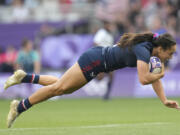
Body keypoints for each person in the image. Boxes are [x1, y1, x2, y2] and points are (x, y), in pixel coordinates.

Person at [4, 32, 179, 128]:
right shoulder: (144, 50)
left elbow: (153, 79)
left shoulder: (153, 55)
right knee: (59, 89)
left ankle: (24, 76)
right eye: (169, 53)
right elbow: (144, 79)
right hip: (95, 61)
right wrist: (161, 74)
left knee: (63, 86)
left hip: (97, 59)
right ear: (160, 48)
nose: (170, 57)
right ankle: (19, 107)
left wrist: (164, 100)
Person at [93, 20, 115, 99]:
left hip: (109, 57)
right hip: (102, 56)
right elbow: (95, 42)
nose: (111, 27)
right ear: (105, 25)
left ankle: (107, 95)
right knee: (100, 77)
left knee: (112, 75)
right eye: (109, 25)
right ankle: (90, 75)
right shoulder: (101, 32)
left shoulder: (110, 35)